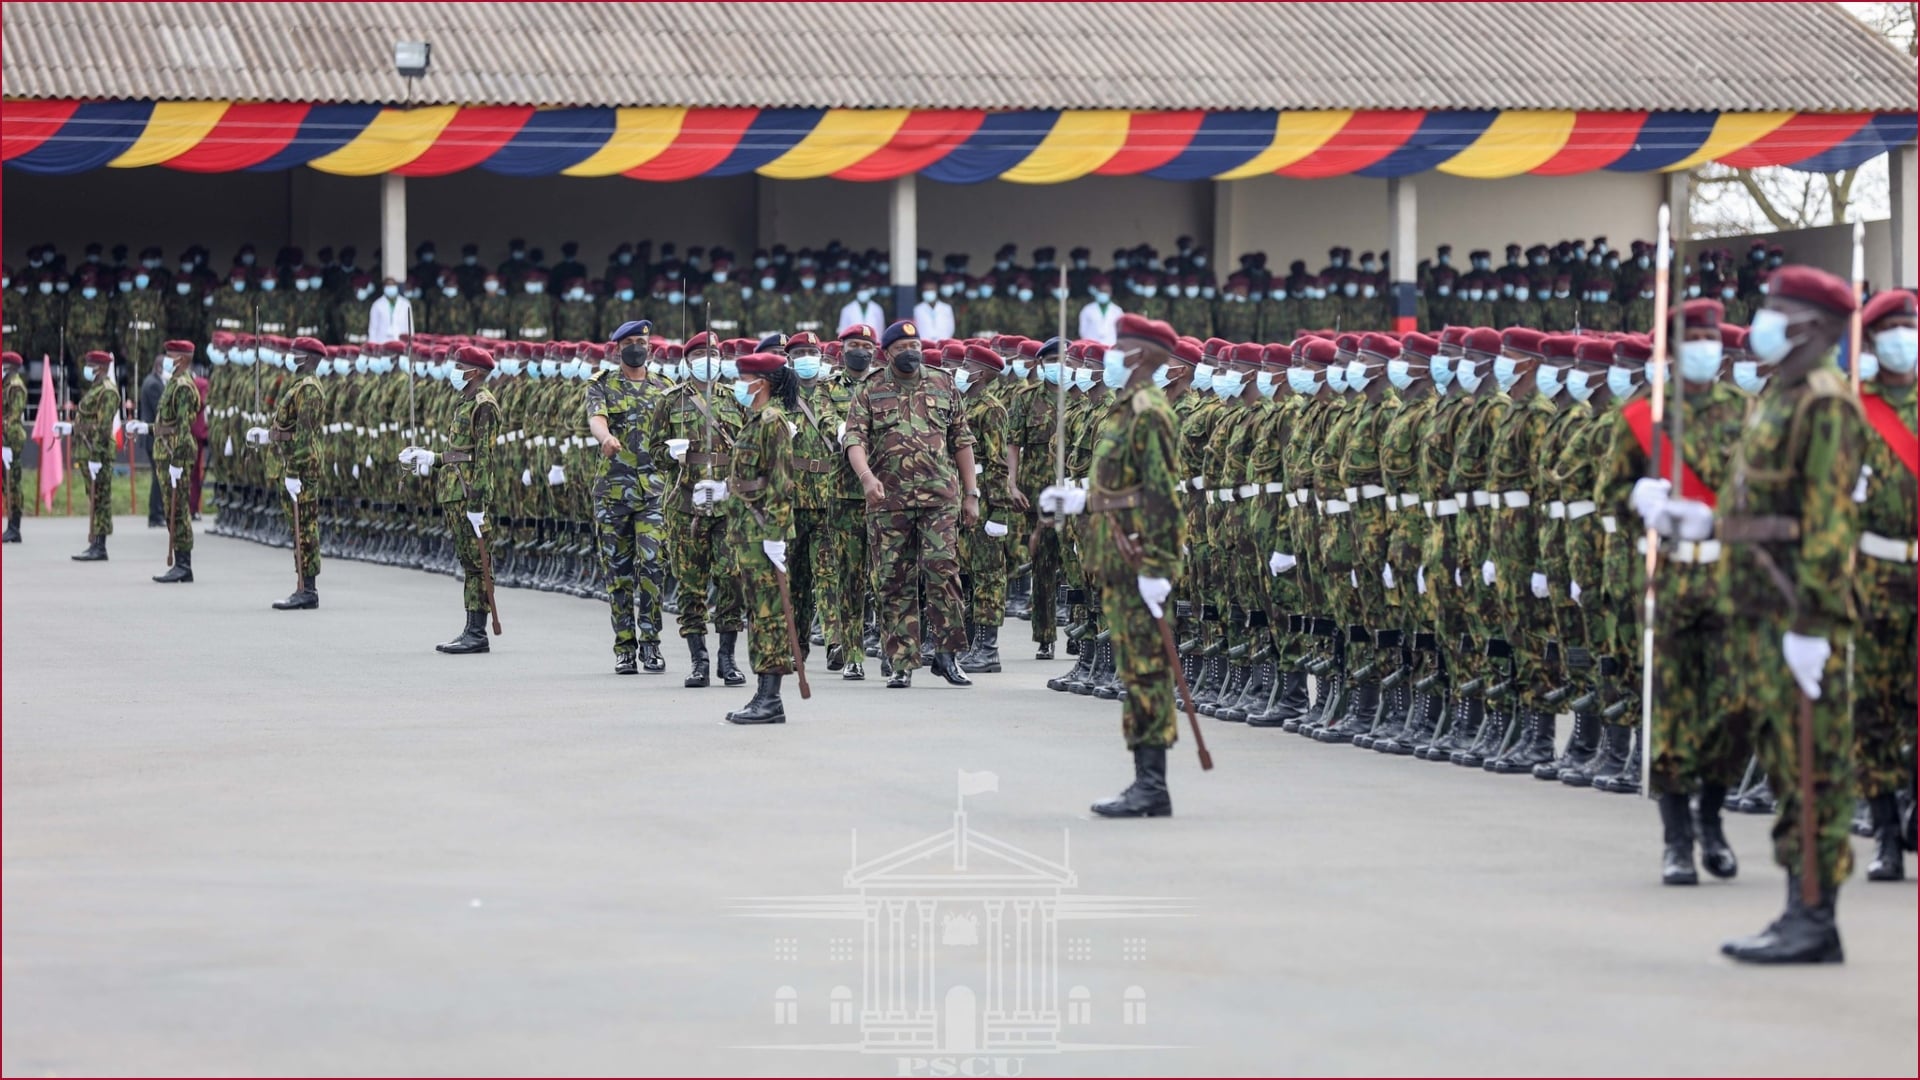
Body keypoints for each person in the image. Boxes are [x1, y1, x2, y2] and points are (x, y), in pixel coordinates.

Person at [1672, 265, 1862, 964]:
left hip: (1797, 614)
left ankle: (1815, 915)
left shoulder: (1824, 403)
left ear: (1812, 327)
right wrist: (1706, 523)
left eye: (1776, 311)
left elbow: (1828, 522)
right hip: (1756, 607)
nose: (1762, 324)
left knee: (1814, 764)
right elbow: (1762, 510)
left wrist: (1812, 625)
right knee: (1786, 761)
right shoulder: (1776, 397)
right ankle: (1797, 908)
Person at [1610, 300, 1749, 883]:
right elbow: (1612, 498)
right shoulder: (1645, 417)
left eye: (1709, 337)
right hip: (1669, 579)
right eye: (1691, 337)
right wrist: (1636, 501)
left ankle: (1712, 818)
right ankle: (1676, 839)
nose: (1704, 346)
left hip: (1730, 579)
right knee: (1668, 709)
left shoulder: (1748, 415)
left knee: (1732, 708)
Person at [1041, 314, 1187, 816]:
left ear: (1144, 356)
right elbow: (1119, 490)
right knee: (1134, 667)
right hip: (1116, 553)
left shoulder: (1150, 412)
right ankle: (1144, 779)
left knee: (1146, 669)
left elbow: (1163, 496)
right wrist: (1080, 501)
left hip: (1137, 556)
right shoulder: (1124, 410)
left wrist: (1159, 567)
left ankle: (1152, 785)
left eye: (1121, 348)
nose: (1111, 357)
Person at [843, 319, 980, 688]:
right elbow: (854, 439)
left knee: (943, 572)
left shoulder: (942, 382)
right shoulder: (871, 389)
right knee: (893, 580)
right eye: (903, 349)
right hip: (889, 501)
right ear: (887, 354)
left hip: (939, 499)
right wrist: (867, 479)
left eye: (915, 345)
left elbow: (962, 441)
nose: (911, 352)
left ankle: (948, 655)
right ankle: (902, 661)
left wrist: (971, 494)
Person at [1851, 288, 1917, 882]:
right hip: (1874, 574)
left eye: (1911, 326)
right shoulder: (1854, 414)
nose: (1903, 337)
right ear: (1871, 342)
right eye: (1892, 328)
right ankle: (1886, 835)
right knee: (1873, 707)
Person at [699, 351, 799, 724]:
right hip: (748, 529)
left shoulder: (772, 421)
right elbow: (750, 476)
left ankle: (770, 699)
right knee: (758, 613)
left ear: (761, 383)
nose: (739, 385)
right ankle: (763, 694)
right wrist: (723, 489)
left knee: (767, 614)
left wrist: (775, 535)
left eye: (744, 379)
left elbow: (781, 482)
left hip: (762, 533)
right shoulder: (755, 419)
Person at [649, 331, 748, 688]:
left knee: (731, 578)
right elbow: (654, 453)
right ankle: (698, 660)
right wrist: (672, 455)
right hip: (685, 504)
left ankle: (727, 657)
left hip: (726, 504)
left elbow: (749, 449)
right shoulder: (670, 402)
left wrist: (733, 484)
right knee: (690, 584)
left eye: (715, 353)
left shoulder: (735, 399)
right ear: (688, 361)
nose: (710, 360)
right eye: (702, 354)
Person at [399, 344, 500, 653]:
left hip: (468, 492)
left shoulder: (484, 405)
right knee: (468, 561)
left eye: (460, 367)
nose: (454, 371)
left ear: (474, 372)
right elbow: (459, 452)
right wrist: (431, 457)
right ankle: (470, 628)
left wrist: (477, 503)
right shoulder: (464, 400)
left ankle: (477, 633)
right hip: (454, 490)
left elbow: (483, 458)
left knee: (478, 563)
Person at [587, 320, 669, 675]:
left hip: (653, 491)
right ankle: (624, 647)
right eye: (630, 342)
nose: (637, 347)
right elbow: (597, 419)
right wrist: (605, 439)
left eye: (642, 341)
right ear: (617, 348)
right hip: (613, 493)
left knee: (652, 565)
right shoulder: (602, 385)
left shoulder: (665, 388)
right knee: (618, 573)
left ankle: (651, 643)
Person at [251, 336, 327, 609]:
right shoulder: (299, 386)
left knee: (304, 527)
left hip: (302, 467)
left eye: (295, 353)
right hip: (292, 462)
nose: (289, 356)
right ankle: (303, 585)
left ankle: (308, 590)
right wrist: (267, 435)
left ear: (307, 358)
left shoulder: (308, 389)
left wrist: (294, 471)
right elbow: (289, 428)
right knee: (299, 528)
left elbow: (305, 435)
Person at [144, 340, 204, 582]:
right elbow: (166, 424)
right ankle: (179, 562)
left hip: (174, 452)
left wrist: (178, 461)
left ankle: (183, 563)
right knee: (171, 508)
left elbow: (181, 428)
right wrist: (145, 428)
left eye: (171, 355)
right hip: (166, 450)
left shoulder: (182, 387)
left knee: (178, 510)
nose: (167, 359)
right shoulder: (173, 383)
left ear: (182, 358)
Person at [67, 350, 121, 561]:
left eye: (90, 365)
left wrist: (96, 456)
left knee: (100, 499)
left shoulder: (107, 391)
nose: (87, 369)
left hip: (97, 453)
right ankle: (95, 543)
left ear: (99, 368)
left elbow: (104, 426)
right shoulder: (96, 389)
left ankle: (100, 545)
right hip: (87, 450)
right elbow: (88, 420)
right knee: (94, 497)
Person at [2, 351, 25, 542]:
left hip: (12, 440)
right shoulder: (6, 385)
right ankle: (11, 525)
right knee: (6, 484)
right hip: (5, 439)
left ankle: (14, 527)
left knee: (13, 484)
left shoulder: (15, 387)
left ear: (8, 367)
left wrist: (7, 444)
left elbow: (13, 416)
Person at [1078, 275, 1123, 346]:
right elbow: (1082, 331)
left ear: (1110, 293)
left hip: (1111, 345)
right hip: (1092, 346)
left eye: (1106, 291)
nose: (1104, 294)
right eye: (1101, 291)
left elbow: (1120, 330)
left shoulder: (1117, 311)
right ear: (1097, 292)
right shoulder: (1087, 309)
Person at [367, 277, 413, 344]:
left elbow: (410, 326)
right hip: (382, 341)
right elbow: (373, 328)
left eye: (392, 285)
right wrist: (372, 344)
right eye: (388, 286)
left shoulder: (405, 304)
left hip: (401, 342)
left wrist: (410, 342)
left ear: (396, 287)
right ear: (384, 288)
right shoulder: (377, 305)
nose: (390, 288)